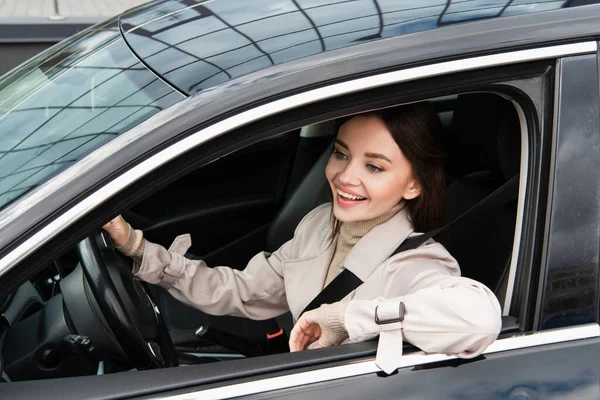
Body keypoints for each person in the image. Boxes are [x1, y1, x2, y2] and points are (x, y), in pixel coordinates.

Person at [103, 102, 502, 374]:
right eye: (342, 154)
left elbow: (480, 318)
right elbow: (243, 290)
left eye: (374, 167)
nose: (346, 177)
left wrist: (347, 318)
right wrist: (138, 248)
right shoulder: (319, 224)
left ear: (414, 184)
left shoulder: (414, 263)